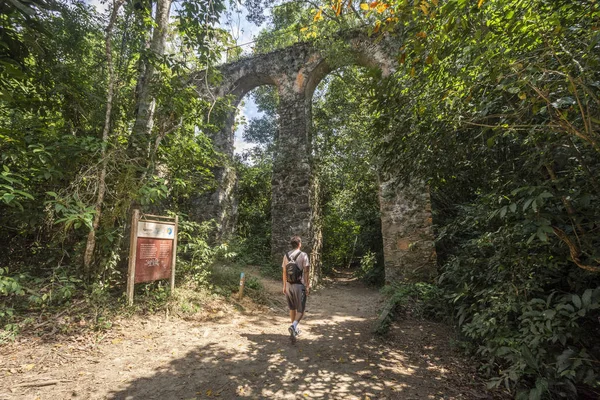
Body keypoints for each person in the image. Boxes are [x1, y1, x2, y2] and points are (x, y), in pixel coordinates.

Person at [282, 235, 310, 342]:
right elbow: (306, 271)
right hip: (299, 285)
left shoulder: (286, 256)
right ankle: (294, 326)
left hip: (289, 285)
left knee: (292, 308)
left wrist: (284, 286)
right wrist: (307, 285)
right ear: (299, 244)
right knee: (301, 310)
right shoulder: (303, 255)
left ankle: (294, 330)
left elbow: (284, 272)